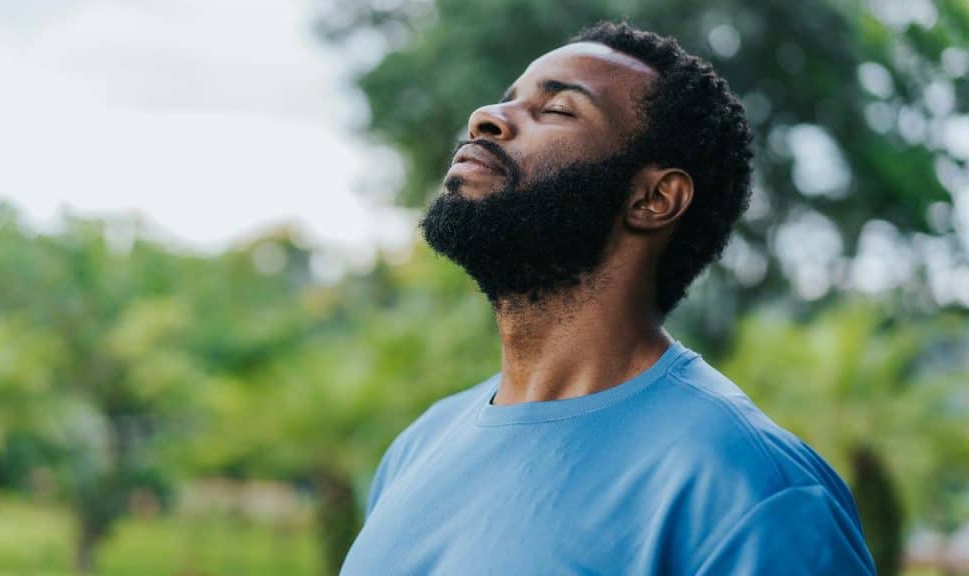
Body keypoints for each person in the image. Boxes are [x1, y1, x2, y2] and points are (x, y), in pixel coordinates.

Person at [340, 20, 876, 576]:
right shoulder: (418, 447)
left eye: (557, 109)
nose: (486, 117)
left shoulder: (752, 491)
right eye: (508, 98)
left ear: (654, 198)